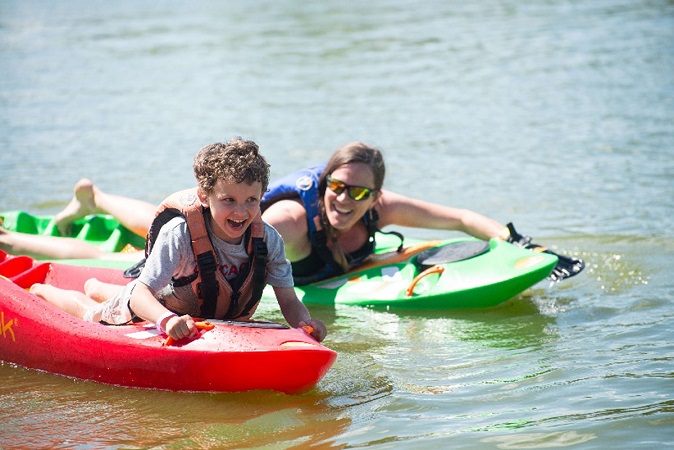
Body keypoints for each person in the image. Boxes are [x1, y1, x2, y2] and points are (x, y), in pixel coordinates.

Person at [6, 142, 571, 283]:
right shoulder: (290, 225)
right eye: (338, 187)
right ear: (325, 182)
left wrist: (527, 245)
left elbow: (464, 219)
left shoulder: (379, 207)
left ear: (377, 196)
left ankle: (92, 196)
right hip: (207, 230)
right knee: (128, 247)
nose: (345, 201)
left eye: (360, 193)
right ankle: (57, 219)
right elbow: (229, 251)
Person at [29, 138, 327, 342]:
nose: (241, 211)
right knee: (92, 315)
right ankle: (44, 290)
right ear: (204, 197)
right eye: (228, 200)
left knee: (119, 294)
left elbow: (288, 299)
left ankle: (99, 288)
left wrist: (304, 323)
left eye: (251, 200)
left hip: (201, 313)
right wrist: (166, 321)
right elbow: (141, 296)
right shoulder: (181, 235)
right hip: (156, 306)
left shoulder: (268, 240)